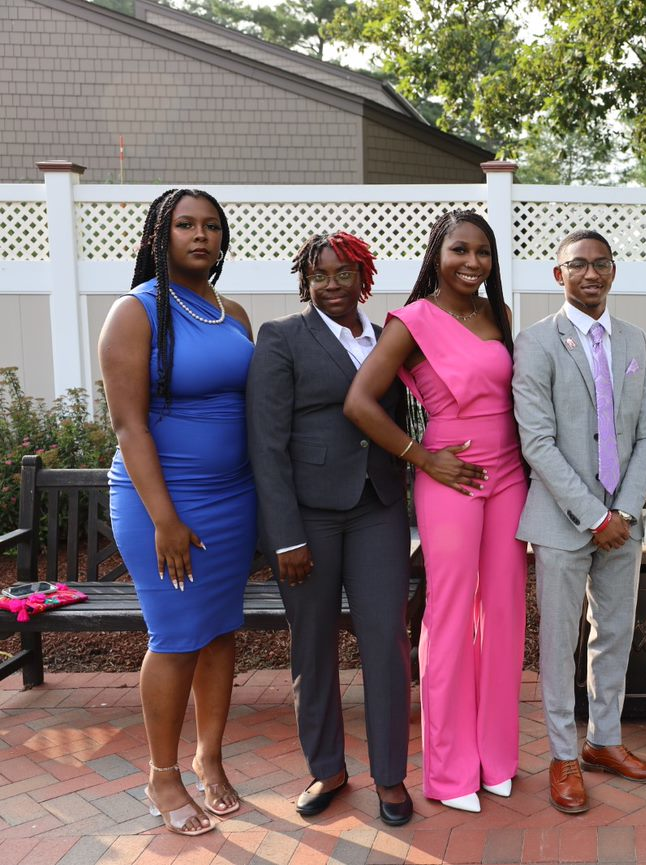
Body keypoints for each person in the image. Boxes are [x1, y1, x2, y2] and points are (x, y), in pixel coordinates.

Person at [344, 209, 526, 815]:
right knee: (448, 617)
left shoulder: (498, 314)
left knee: (504, 612)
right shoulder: (413, 321)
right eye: (460, 250)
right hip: (452, 476)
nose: (472, 262)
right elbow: (359, 402)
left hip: (509, 475)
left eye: (483, 252)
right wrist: (423, 458)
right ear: (437, 256)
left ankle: (496, 758)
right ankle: (449, 772)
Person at [100, 188, 256, 836]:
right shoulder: (134, 312)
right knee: (175, 636)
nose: (201, 235)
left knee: (219, 632)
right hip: (160, 501)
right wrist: (165, 518)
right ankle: (162, 774)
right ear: (158, 236)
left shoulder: (233, 313)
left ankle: (209, 758)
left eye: (212, 226)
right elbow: (129, 426)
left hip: (233, 500)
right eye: (186, 224)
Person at [245, 232, 413, 826]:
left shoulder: (387, 337)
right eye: (320, 275)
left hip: (378, 507)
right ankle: (327, 769)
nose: (332, 284)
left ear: (363, 277)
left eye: (344, 273)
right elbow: (266, 444)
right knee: (312, 644)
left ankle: (390, 775)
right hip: (309, 517)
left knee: (386, 640)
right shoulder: (282, 337)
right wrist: (285, 537)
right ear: (305, 281)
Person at [512, 229, 646, 814]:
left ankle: (604, 741)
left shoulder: (634, 339)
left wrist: (623, 511)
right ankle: (562, 755)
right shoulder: (536, 342)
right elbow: (537, 442)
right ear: (560, 275)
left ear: (613, 271)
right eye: (578, 264)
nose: (591, 274)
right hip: (562, 521)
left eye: (601, 264)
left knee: (616, 633)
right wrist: (595, 515)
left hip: (622, 520)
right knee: (559, 642)